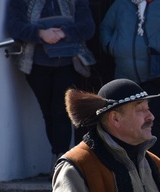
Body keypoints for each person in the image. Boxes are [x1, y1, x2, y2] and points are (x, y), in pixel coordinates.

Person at [100, 0, 160, 162]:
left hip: (158, 75)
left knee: (154, 120)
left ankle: (157, 166)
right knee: (124, 121)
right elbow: (105, 27)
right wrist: (111, 45)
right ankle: (130, 164)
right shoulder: (121, 4)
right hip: (125, 75)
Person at [6, 0, 95, 170]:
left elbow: (88, 26)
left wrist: (63, 32)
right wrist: (40, 33)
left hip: (68, 63)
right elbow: (14, 25)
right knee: (48, 112)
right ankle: (59, 156)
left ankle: (61, 158)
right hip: (37, 65)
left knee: (60, 112)